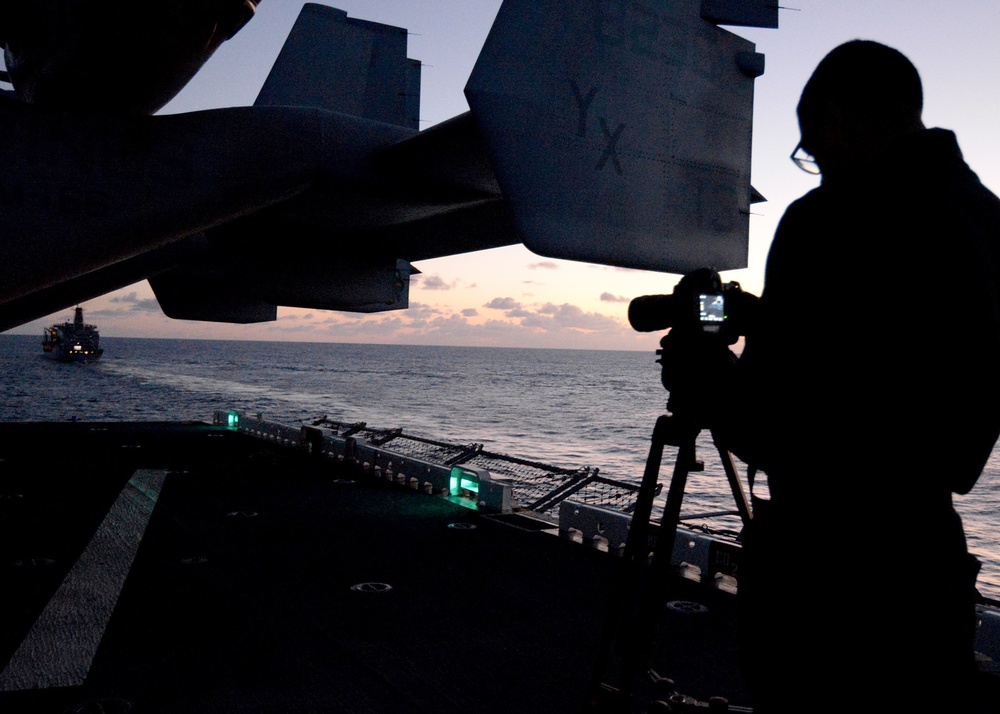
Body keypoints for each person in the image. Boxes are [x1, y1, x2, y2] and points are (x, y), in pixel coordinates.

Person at [666, 40, 1000, 712]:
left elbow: (782, 425)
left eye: (812, 149)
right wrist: (773, 323)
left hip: (823, 581)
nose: (815, 168)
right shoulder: (983, 219)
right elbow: (894, 366)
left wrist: (703, 373)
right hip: (925, 570)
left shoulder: (830, 219)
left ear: (841, 120)